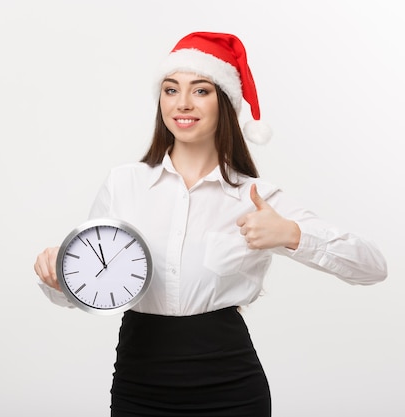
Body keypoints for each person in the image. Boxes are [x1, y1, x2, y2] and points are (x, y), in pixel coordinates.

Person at [34, 31, 387, 417]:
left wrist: (292, 235)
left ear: (225, 103)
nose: (182, 103)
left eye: (200, 90)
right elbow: (89, 286)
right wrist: (57, 276)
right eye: (171, 90)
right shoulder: (125, 184)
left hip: (231, 388)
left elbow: (372, 267)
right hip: (140, 383)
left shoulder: (255, 197)